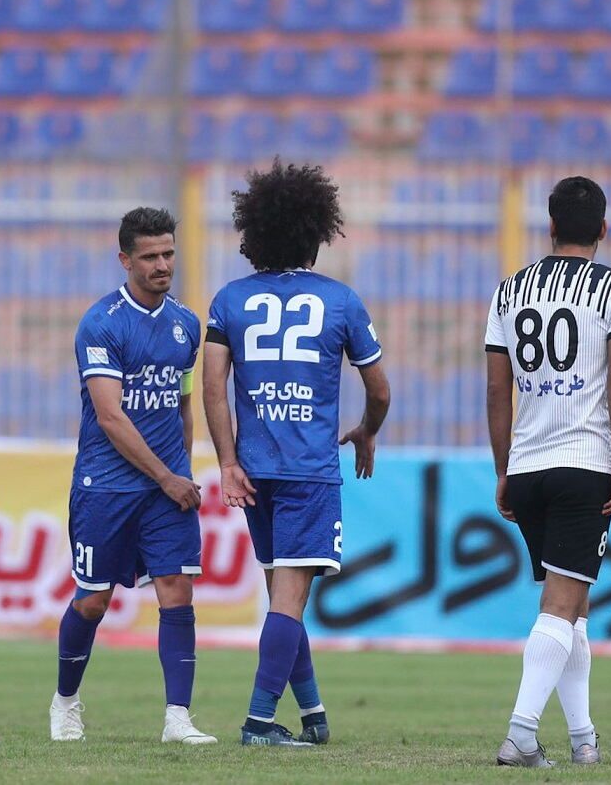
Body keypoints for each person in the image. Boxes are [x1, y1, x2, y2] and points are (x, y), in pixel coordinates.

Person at [201, 160, 390, 748]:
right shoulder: (340, 301)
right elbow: (380, 389)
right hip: (309, 472)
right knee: (290, 597)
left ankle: (312, 715)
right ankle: (259, 722)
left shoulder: (229, 299)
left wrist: (228, 460)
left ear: (253, 234)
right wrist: (366, 430)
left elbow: (212, 386)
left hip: (254, 470)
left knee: (285, 594)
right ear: (316, 232)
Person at [486, 176, 611, 768]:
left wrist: (504, 470)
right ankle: (521, 735)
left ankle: (583, 743)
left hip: (527, 468)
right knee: (561, 604)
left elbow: (497, 388)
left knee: (574, 606)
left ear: (549, 227)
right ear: (603, 229)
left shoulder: (511, 289)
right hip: (583, 463)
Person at [50, 207, 217, 746]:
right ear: (125, 260)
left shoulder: (187, 325)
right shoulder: (101, 323)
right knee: (93, 601)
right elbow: (110, 417)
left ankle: (178, 718)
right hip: (106, 487)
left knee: (177, 592)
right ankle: (66, 701)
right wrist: (168, 475)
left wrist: (181, 472)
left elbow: (183, 406)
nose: (162, 264)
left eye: (168, 253)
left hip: (167, 490)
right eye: (150, 256)